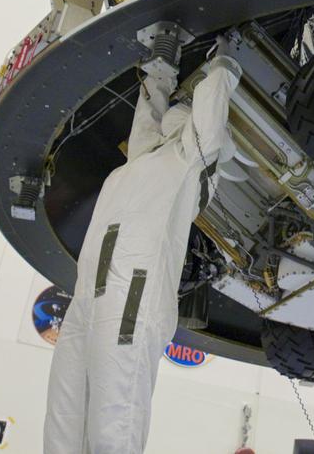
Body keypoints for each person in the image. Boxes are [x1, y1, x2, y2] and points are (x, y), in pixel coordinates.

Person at [44, 37, 242, 453]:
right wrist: (160, 71)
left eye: (186, 112)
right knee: (63, 418)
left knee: (115, 422)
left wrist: (223, 63)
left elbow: (208, 124)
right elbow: (149, 116)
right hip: (89, 298)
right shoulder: (143, 159)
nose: (176, 114)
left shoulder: (190, 163)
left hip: (131, 303)